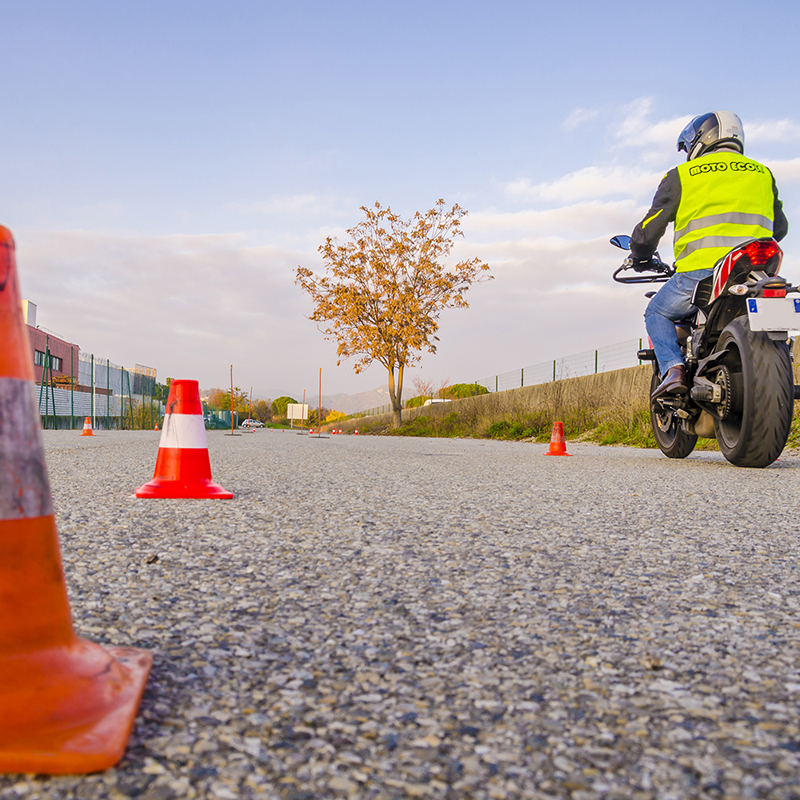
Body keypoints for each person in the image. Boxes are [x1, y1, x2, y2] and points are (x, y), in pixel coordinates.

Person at [630, 111, 788, 397]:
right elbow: (780, 228)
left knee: (656, 312)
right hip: (757, 272)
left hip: (701, 272)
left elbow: (649, 230)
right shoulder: (762, 173)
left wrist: (639, 254)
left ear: (703, 137)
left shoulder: (683, 175)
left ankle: (673, 370)